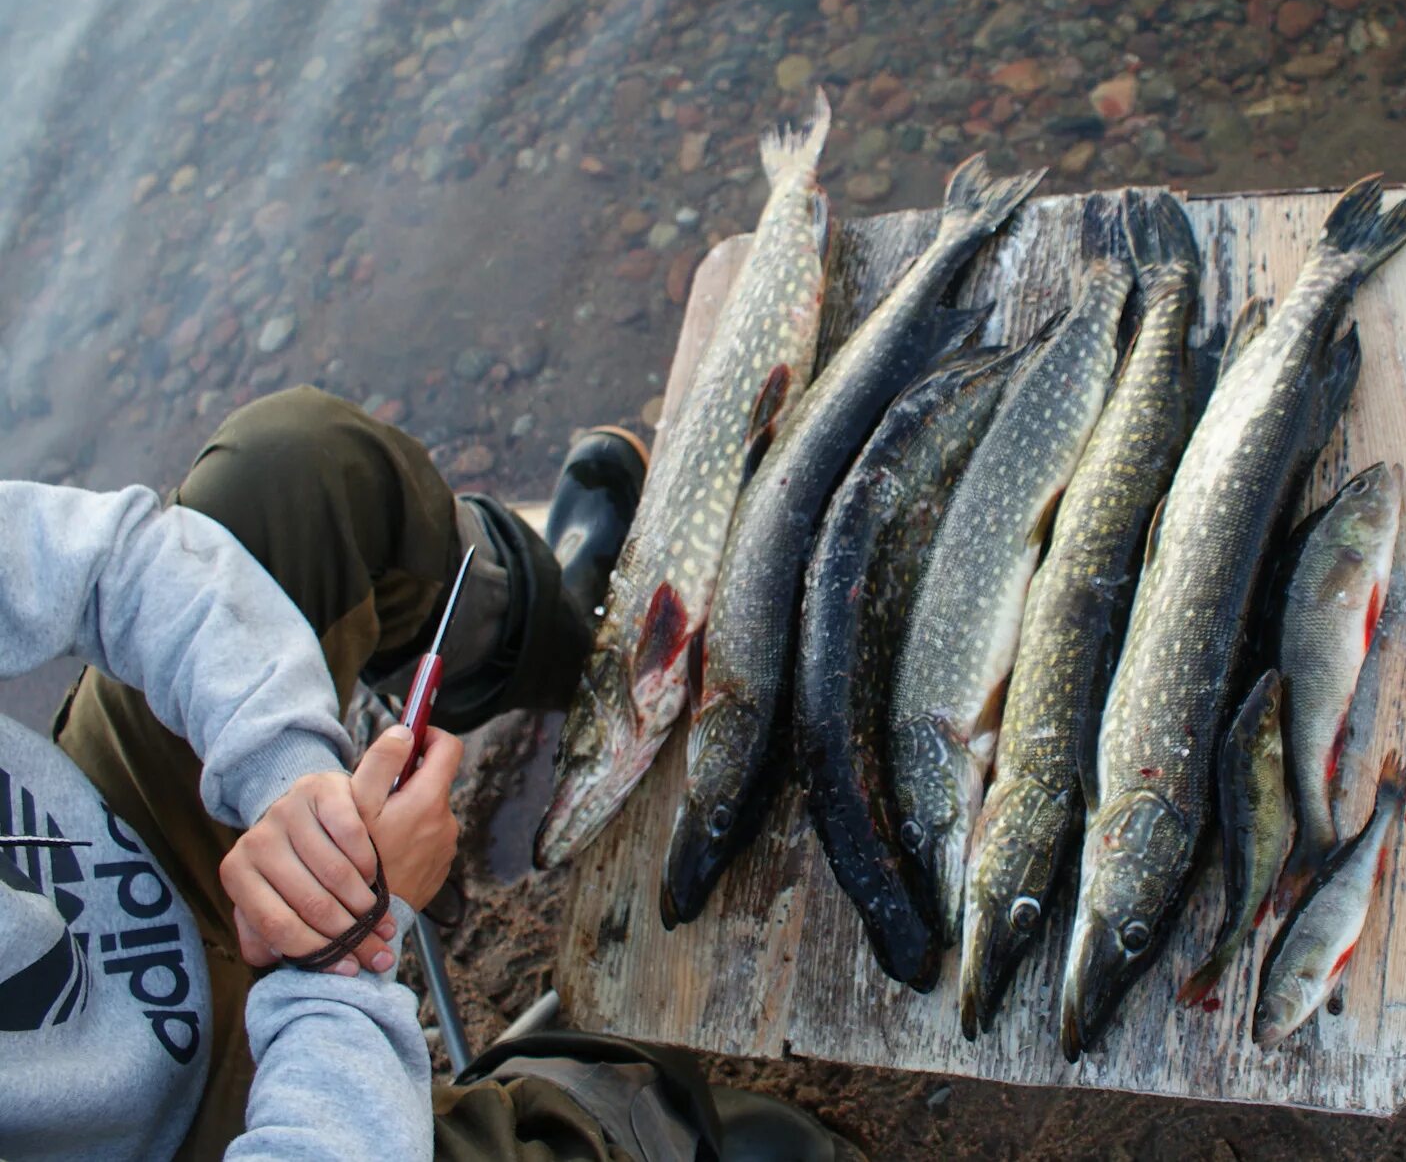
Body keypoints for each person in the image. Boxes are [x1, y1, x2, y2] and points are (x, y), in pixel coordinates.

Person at [0, 386, 860, 1160]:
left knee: (293, 469)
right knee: (651, 1130)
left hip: (105, 854)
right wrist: (342, 959)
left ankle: (585, 644)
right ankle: (611, 1129)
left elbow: (110, 564)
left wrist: (292, 784)